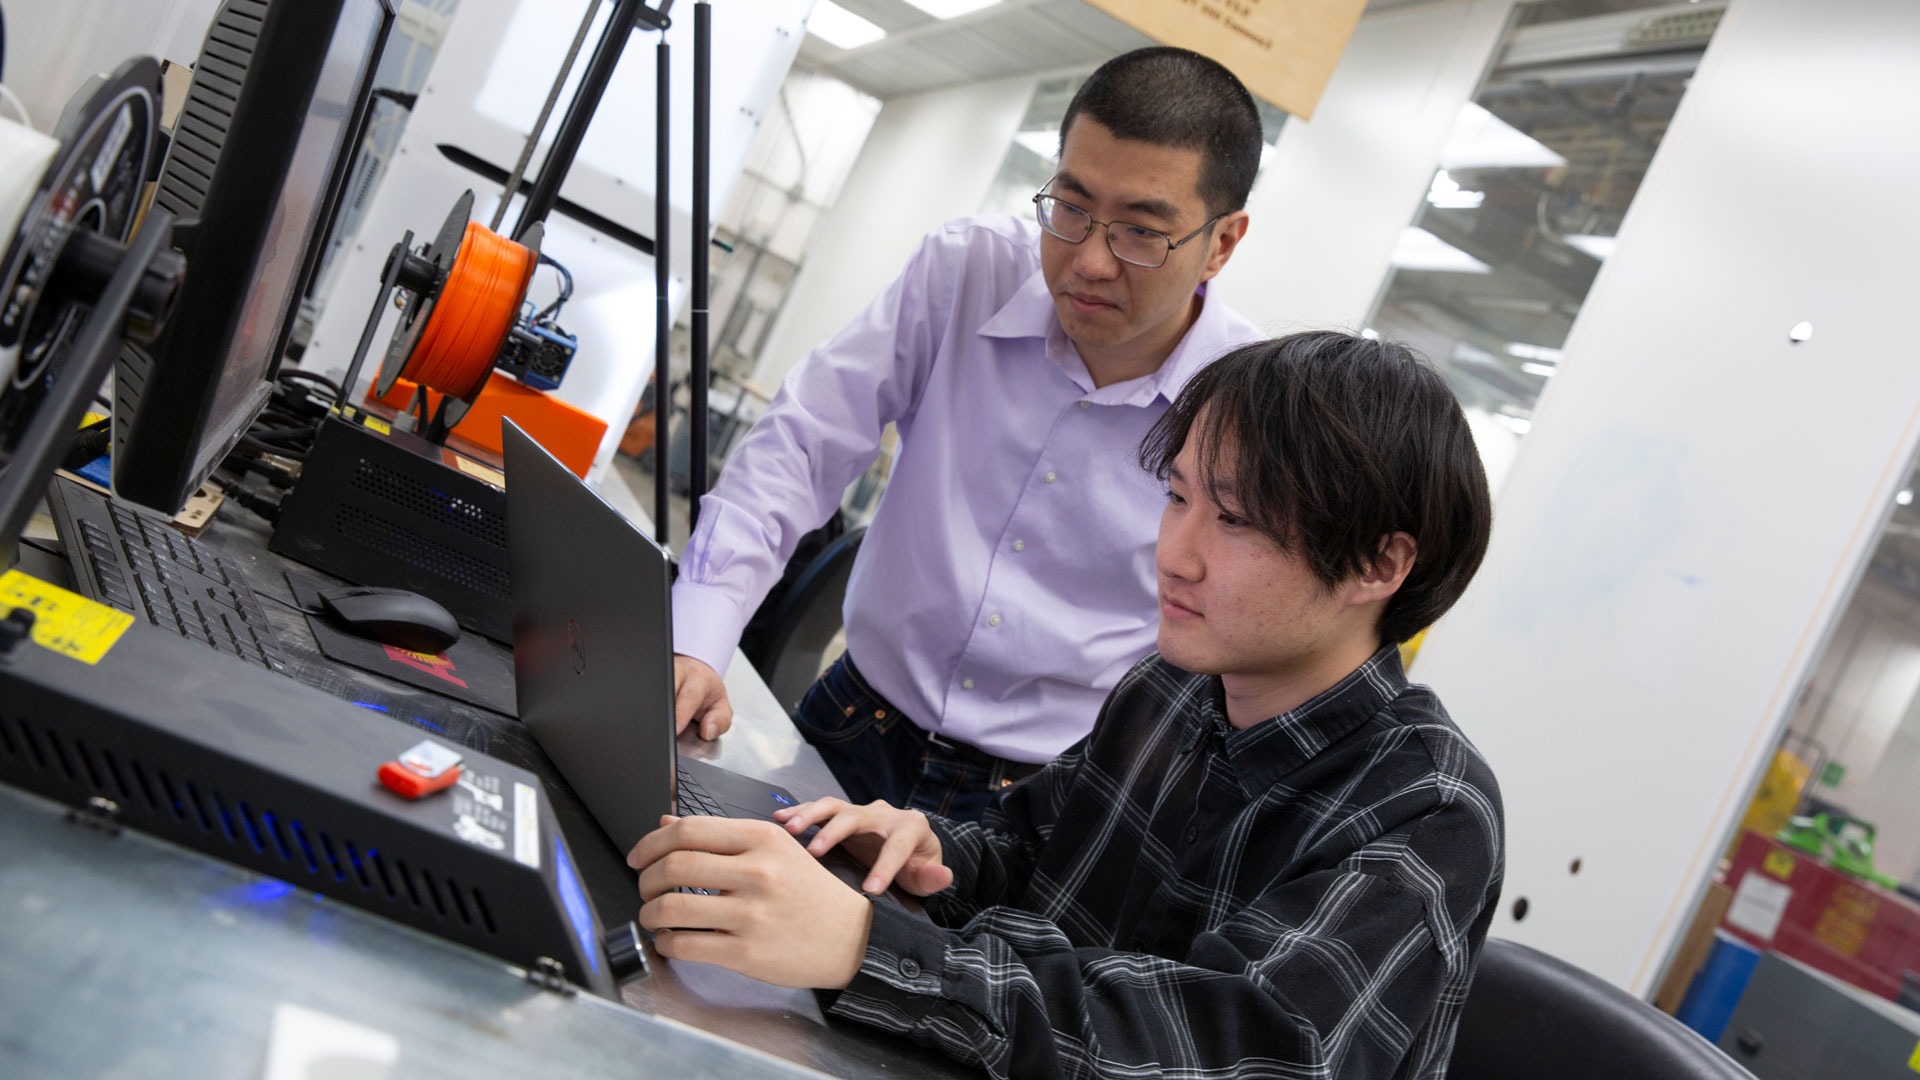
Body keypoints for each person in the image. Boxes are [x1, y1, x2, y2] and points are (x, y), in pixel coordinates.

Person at [628, 332, 1505, 1079]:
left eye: (1234, 521)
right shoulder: (1170, 688)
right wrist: (924, 855)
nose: (1176, 555)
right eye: (1177, 499)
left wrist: (869, 946)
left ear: (1379, 566)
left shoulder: (1428, 810)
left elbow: (1228, 1051)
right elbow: (1031, 850)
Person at [669, 47, 1267, 821]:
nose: (1087, 260)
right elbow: (804, 441)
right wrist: (699, 633)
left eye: (1141, 233)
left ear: (1221, 243)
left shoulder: (1246, 402)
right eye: (1072, 207)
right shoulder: (967, 271)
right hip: (854, 719)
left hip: (1044, 805)